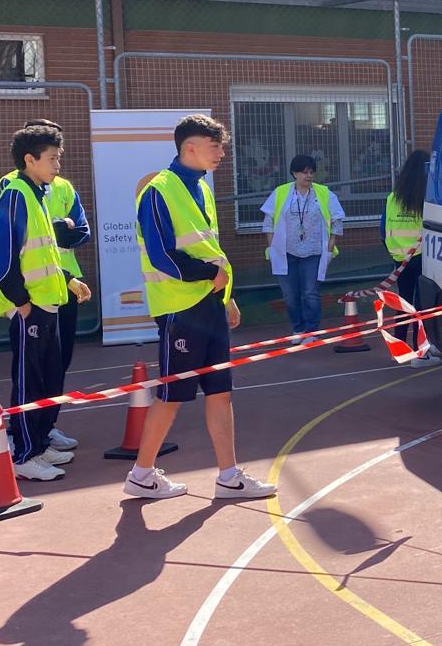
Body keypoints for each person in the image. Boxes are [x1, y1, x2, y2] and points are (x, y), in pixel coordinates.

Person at [125, 114, 276, 500]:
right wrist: (210, 275)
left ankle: (229, 475)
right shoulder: (159, 190)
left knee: (220, 391)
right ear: (189, 147)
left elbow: (208, 246)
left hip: (208, 303)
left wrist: (226, 296)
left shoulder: (202, 189)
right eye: (215, 147)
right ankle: (141, 474)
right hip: (179, 308)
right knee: (172, 396)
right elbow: (161, 255)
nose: (222, 154)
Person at [0, 124, 93, 481]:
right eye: (52, 158)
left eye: (59, 158)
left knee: (47, 375)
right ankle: (22, 452)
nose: (58, 165)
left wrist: (67, 281)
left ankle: (37, 441)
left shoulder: (37, 193)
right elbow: (2, 255)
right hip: (29, 306)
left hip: (49, 300)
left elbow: (47, 254)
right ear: (29, 159)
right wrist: (20, 300)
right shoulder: (16, 193)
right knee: (28, 380)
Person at [260, 154, 345, 344]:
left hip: (314, 251)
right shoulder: (281, 192)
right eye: (304, 172)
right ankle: (297, 329)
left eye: (311, 172)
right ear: (294, 173)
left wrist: (330, 247)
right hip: (286, 251)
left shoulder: (323, 193)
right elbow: (268, 222)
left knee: (310, 292)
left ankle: (311, 331)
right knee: (290, 295)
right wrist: (272, 247)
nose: (308, 176)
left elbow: (337, 221)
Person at [382, 150, 436, 362]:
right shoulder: (425, 198)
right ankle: (420, 352)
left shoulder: (393, 198)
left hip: (399, 257)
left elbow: (382, 228)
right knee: (420, 305)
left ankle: (401, 347)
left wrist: (394, 252)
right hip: (421, 256)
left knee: (404, 303)